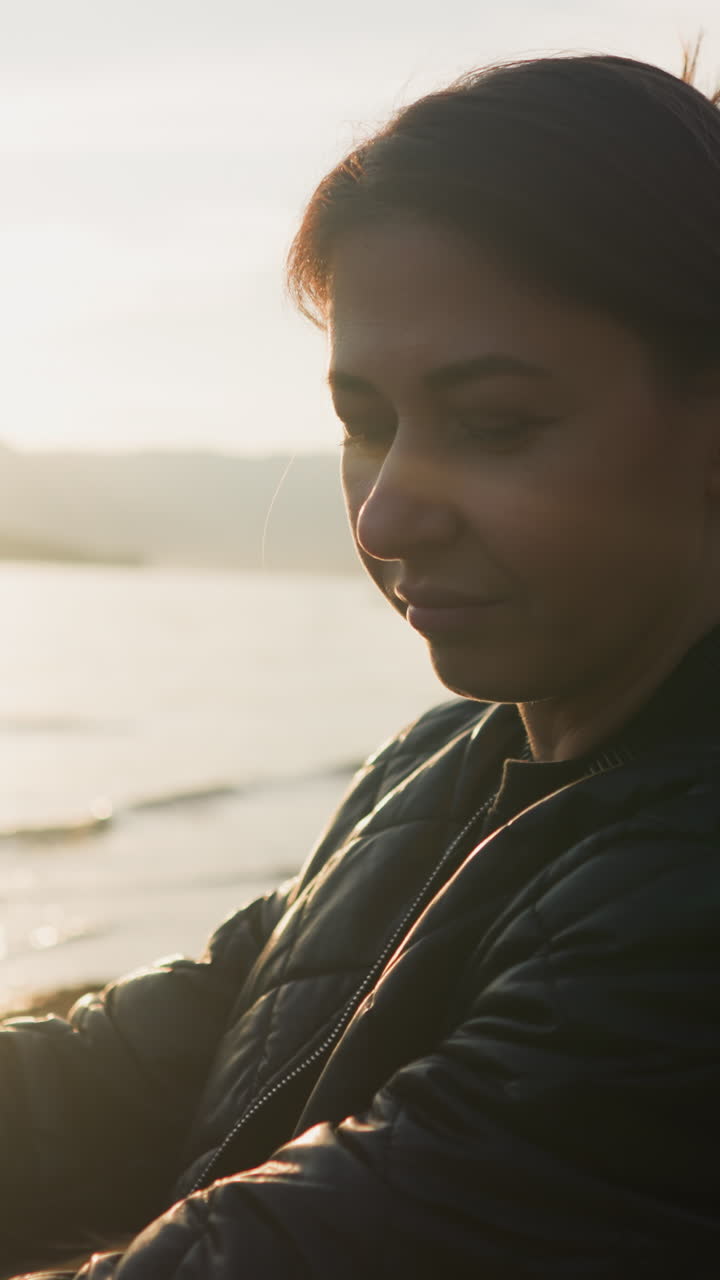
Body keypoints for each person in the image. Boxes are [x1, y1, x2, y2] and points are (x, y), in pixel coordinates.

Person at [3, 49, 720, 1278]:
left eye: (496, 424)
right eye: (366, 425)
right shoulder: (452, 753)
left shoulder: (684, 926)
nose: (386, 518)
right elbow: (153, 1056)